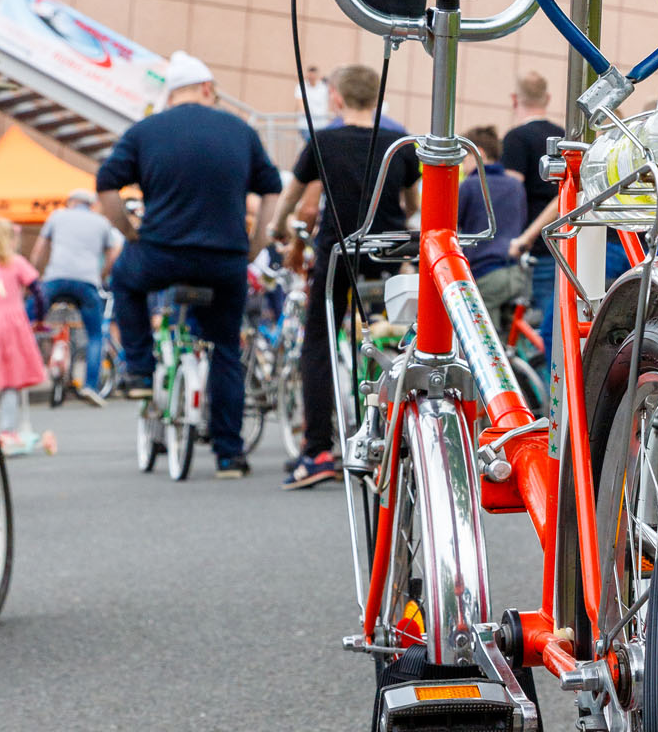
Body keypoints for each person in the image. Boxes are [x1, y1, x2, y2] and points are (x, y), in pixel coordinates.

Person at [97, 50, 282, 478]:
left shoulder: (145, 131)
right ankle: (229, 455)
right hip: (225, 260)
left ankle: (140, 369)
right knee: (224, 350)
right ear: (208, 89)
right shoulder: (241, 130)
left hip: (161, 253)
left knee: (125, 281)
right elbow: (270, 189)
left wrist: (129, 232)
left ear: (171, 94)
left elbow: (106, 185)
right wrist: (254, 243)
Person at [270, 62, 420, 490]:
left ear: (336, 97)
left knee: (318, 342)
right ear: (377, 97)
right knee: (395, 338)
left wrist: (277, 230)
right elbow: (412, 203)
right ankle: (399, 434)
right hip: (388, 255)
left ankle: (317, 449)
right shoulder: (399, 143)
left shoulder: (323, 141)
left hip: (339, 256)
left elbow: (292, 197)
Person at [30, 188, 122, 397]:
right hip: (87, 282)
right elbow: (115, 250)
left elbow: (38, 249)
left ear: (71, 202)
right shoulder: (101, 222)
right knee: (96, 335)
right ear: (90, 204)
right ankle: (90, 386)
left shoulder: (57, 216)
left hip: (55, 279)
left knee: (24, 320)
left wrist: (34, 278)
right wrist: (102, 274)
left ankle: (15, 372)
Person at [0, 218, 51, 455]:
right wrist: (39, 319)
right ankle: (7, 432)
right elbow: (39, 292)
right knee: (10, 380)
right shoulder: (17, 263)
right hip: (12, 327)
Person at [502, 72, 564, 343]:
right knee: (559, 319)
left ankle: (546, 382)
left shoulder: (516, 138)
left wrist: (518, 239)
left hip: (535, 246)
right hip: (564, 242)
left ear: (515, 99)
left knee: (547, 329)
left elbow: (511, 193)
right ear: (548, 98)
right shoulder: (563, 136)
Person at [457, 125, 527, 339]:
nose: (461, 164)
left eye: (464, 157)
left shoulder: (470, 185)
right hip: (516, 273)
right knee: (509, 339)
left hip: (486, 274)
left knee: (483, 339)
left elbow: (451, 225)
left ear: (479, 152)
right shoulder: (516, 186)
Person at [293, 64, 331, 137]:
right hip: (306, 125)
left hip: (321, 124)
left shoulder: (324, 87)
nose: (312, 77)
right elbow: (300, 102)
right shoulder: (301, 86)